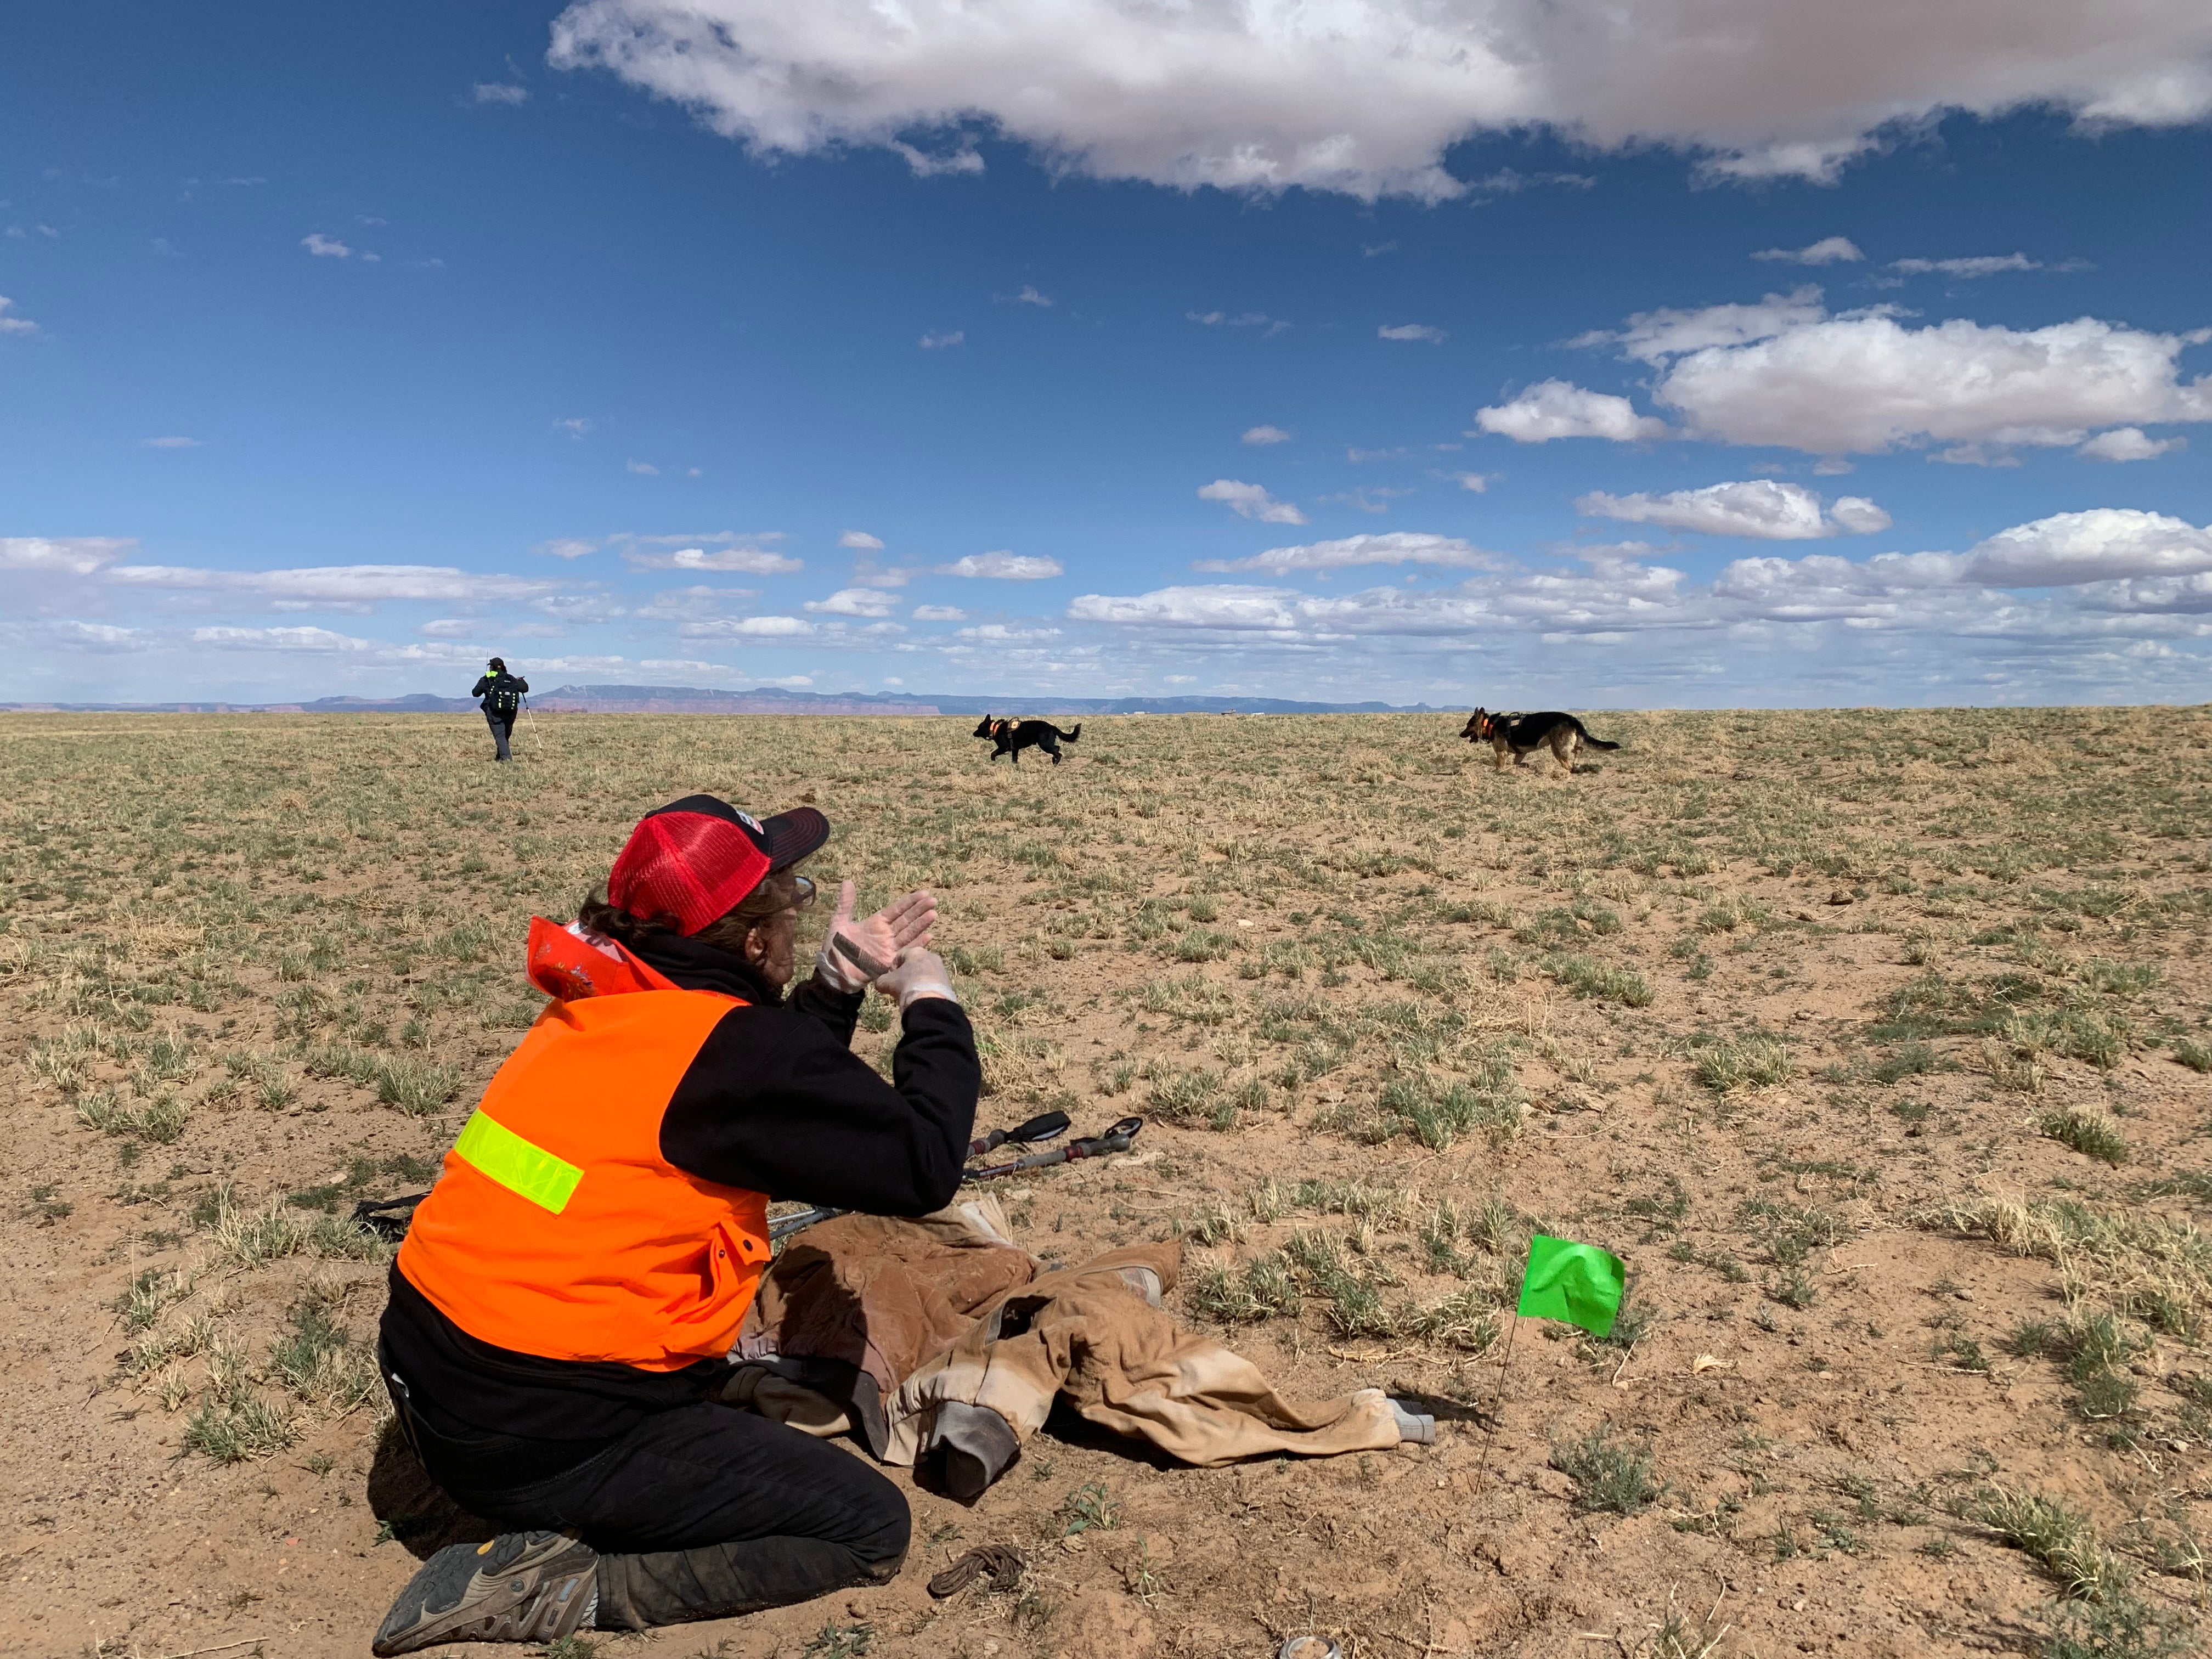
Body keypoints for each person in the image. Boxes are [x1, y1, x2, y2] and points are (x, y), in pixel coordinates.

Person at [370, 793, 977, 1653]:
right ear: (757, 942)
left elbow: (749, 1089)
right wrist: (930, 1000)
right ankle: (565, 1587)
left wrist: (836, 988)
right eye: (792, 897)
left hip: (431, 1373)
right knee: (862, 1525)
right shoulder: (735, 1058)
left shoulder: (603, 1008)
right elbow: (923, 1164)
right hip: (533, 1437)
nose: (801, 911)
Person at [471, 658, 529, 761]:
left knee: (500, 736)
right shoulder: (511, 679)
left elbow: (475, 693)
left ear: (492, 667)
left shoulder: (487, 679)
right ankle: (500, 756)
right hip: (511, 712)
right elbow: (525, 689)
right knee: (504, 736)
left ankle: (506, 759)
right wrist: (520, 680)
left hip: (494, 712)